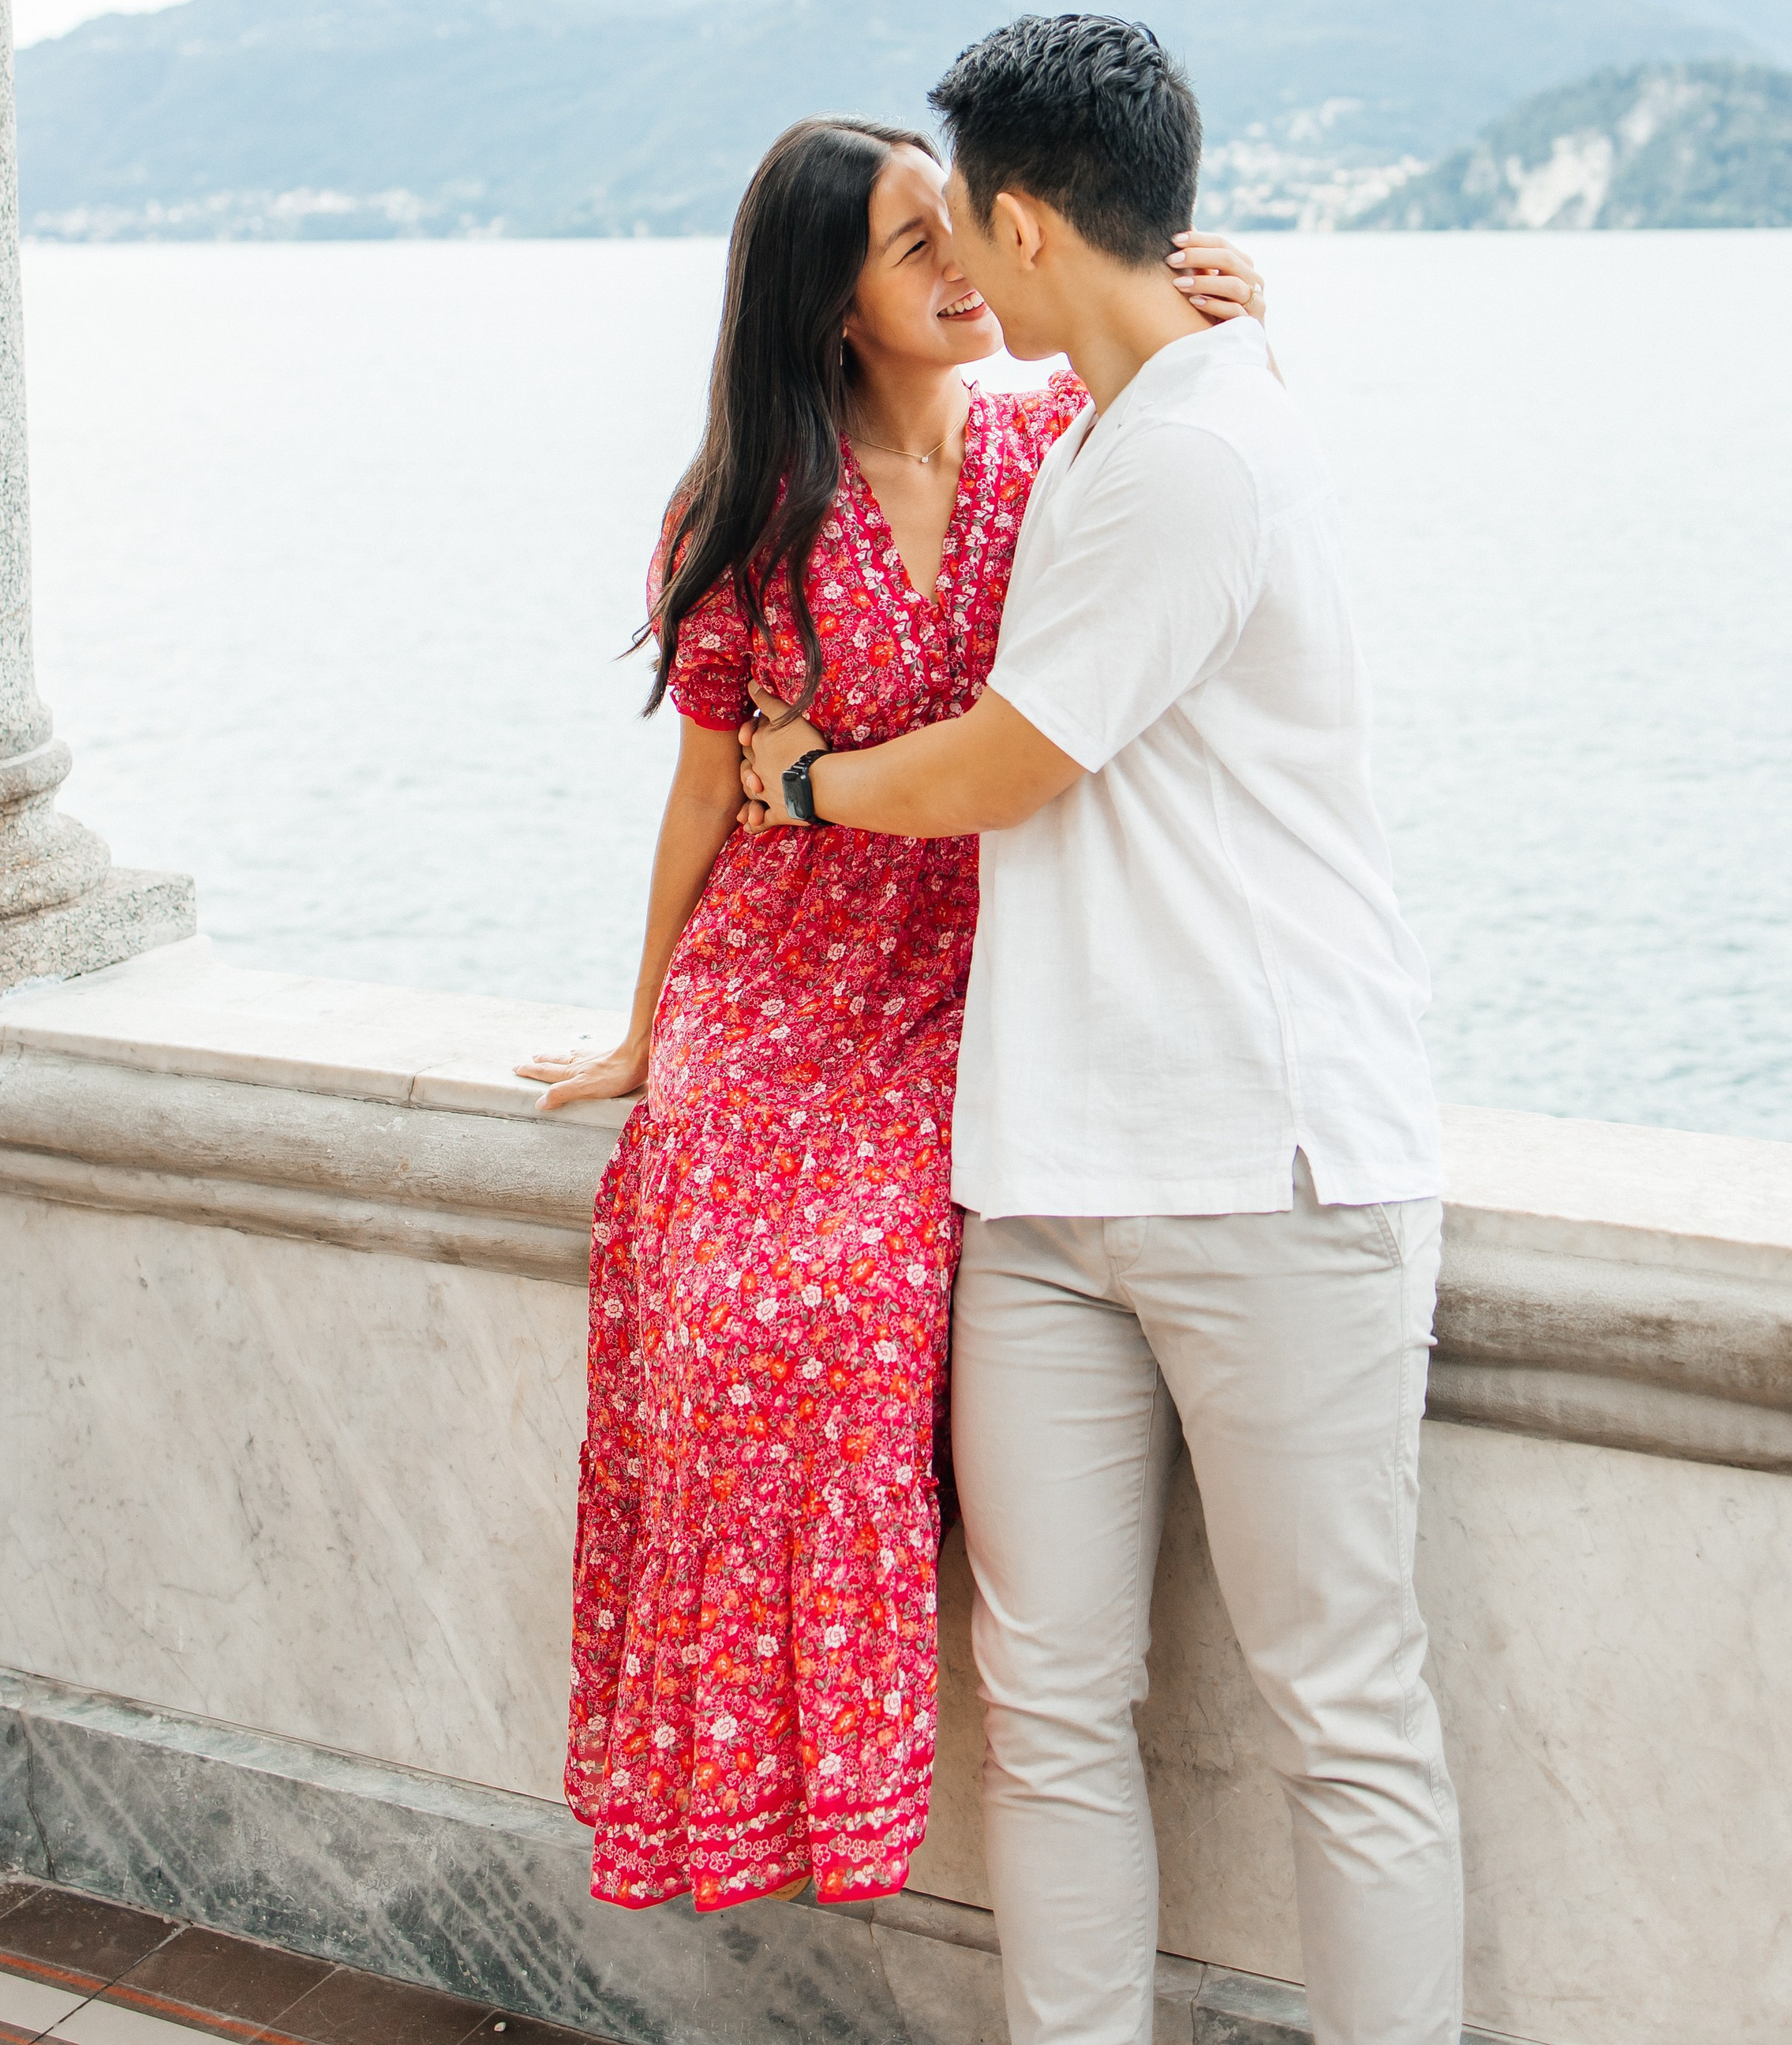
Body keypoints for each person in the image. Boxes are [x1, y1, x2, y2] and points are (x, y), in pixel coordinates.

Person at [740, 17, 1463, 2045]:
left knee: (1343, 1713)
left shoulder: (1196, 452)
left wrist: (798, 784)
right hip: (1046, 1177)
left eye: (959, 219)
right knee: (1047, 1710)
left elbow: (1007, 761)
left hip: (1266, 1170)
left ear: (1029, 223)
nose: (955, 260)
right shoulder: (1114, 421)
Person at [514, 113, 1262, 1916]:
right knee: (734, 1330)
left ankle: (841, 1794)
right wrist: (647, 1028)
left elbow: (1196, 451)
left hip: (969, 986)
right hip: (779, 981)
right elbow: (702, 795)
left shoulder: (1053, 444)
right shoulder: (746, 511)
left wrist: (1241, 313)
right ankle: (732, 1794)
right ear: (827, 304)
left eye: (958, 225)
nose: (960, 262)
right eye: (910, 242)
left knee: (854, 1315)